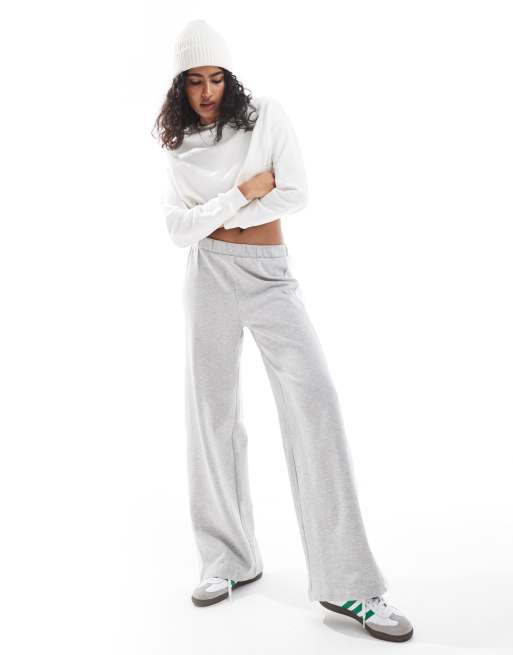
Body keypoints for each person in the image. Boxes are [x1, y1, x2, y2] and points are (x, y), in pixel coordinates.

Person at [153, 18, 413, 643]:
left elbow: (294, 194)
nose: (207, 91)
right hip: (207, 277)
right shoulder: (178, 146)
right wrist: (242, 192)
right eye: (194, 80)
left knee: (315, 404)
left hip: (269, 274)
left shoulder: (265, 116)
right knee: (212, 415)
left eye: (216, 78)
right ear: (180, 86)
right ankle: (228, 559)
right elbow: (179, 230)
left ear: (230, 78)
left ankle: (348, 583)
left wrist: (217, 211)